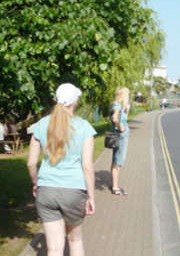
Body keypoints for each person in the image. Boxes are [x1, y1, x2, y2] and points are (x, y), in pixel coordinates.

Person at [26, 83, 96, 256]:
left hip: (46, 191)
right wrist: (91, 197)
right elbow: (87, 166)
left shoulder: (40, 125)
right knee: (75, 240)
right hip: (74, 191)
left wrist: (36, 183)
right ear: (75, 102)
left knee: (54, 249)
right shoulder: (84, 127)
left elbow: (31, 163)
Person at [111, 87, 131, 196]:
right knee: (118, 161)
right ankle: (115, 187)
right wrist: (120, 127)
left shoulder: (119, 106)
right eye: (127, 94)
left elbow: (123, 118)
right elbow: (115, 118)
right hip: (121, 136)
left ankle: (115, 184)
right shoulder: (117, 106)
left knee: (117, 160)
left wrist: (127, 110)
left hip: (121, 136)